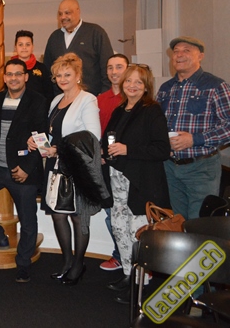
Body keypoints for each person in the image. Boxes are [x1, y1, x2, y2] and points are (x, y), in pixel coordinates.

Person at [28, 52, 101, 285]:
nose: (62, 79)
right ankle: (67, 262)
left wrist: (59, 149)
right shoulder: (56, 100)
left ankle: (78, 265)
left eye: (67, 75)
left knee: (78, 217)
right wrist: (37, 141)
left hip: (77, 165)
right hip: (55, 163)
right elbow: (52, 133)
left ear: (78, 75)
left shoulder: (87, 99)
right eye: (58, 75)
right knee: (58, 215)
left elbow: (92, 137)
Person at [101, 65, 171, 304]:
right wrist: (105, 153)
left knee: (137, 233)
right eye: (129, 81)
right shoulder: (120, 109)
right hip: (118, 180)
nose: (132, 85)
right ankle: (128, 273)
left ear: (146, 87)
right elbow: (109, 140)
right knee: (119, 229)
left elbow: (162, 149)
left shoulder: (152, 111)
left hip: (141, 183)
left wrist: (128, 149)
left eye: (138, 82)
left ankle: (142, 284)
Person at [0, 59, 48, 283]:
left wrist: (27, 168)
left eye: (18, 74)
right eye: (9, 74)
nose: (13, 78)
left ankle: (23, 263)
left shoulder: (37, 101)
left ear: (26, 76)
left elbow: (42, 137)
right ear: (5, 77)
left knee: (28, 220)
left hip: (23, 170)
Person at [157, 36, 230, 220]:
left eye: (187, 50)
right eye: (176, 51)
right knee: (178, 221)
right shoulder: (166, 88)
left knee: (199, 223)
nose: (179, 55)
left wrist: (194, 139)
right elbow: (156, 124)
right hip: (170, 167)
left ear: (200, 56)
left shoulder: (215, 86)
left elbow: (228, 126)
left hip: (201, 168)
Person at [96, 54, 129, 272]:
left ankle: (134, 260)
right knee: (111, 213)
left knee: (130, 215)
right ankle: (119, 256)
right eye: (110, 67)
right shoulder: (99, 99)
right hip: (105, 163)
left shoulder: (134, 97)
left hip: (130, 164)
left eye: (119, 67)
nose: (114, 71)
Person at [43, 0, 114, 96]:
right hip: (61, 98)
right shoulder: (54, 37)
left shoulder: (95, 32)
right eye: (60, 14)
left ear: (78, 11)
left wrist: (104, 96)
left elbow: (107, 67)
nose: (63, 17)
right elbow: (47, 70)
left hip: (92, 97)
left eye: (67, 13)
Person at [10, 30, 54, 103]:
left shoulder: (42, 68)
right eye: (20, 45)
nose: (24, 47)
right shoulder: (9, 68)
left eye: (27, 45)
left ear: (32, 47)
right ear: (15, 47)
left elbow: (49, 94)